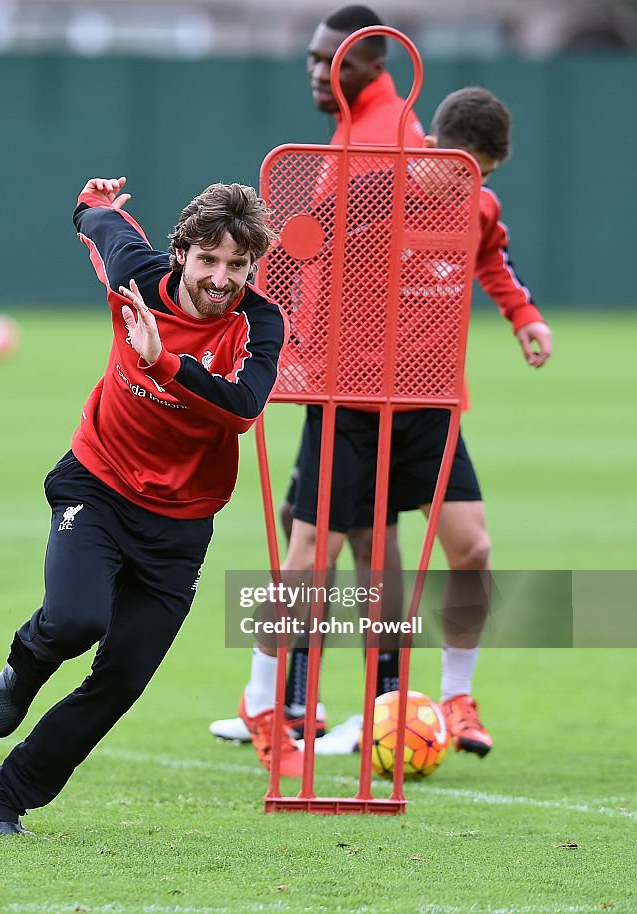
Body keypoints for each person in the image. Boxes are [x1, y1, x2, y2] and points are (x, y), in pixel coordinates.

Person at [217, 79, 554, 766]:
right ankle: (261, 701)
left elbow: (493, 260)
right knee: (314, 558)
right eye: (466, 170)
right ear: (434, 146)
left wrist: (525, 318)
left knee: (474, 548)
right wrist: (286, 343)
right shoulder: (373, 192)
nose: (472, 186)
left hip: (430, 402)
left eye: (484, 176)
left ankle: (457, 699)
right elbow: (291, 253)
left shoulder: (480, 207)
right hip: (349, 400)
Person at [0, 176, 283, 835]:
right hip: (98, 485)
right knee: (77, 620)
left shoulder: (260, 322)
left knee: (123, 678)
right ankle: (28, 659)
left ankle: (3, 797)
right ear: (181, 253)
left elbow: (243, 407)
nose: (221, 278)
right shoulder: (135, 273)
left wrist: (165, 363)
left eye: (237, 266)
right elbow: (94, 219)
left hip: (182, 523)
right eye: (209, 260)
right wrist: (94, 200)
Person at [210, 4, 424, 770]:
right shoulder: (359, 123)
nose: (315, 69)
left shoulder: (382, 128)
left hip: (361, 373)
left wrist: (296, 251)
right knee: (365, 541)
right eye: (310, 57)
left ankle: (287, 702)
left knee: (316, 543)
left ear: (371, 64)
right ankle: (364, 703)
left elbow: (342, 227)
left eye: (329, 59)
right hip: (351, 368)